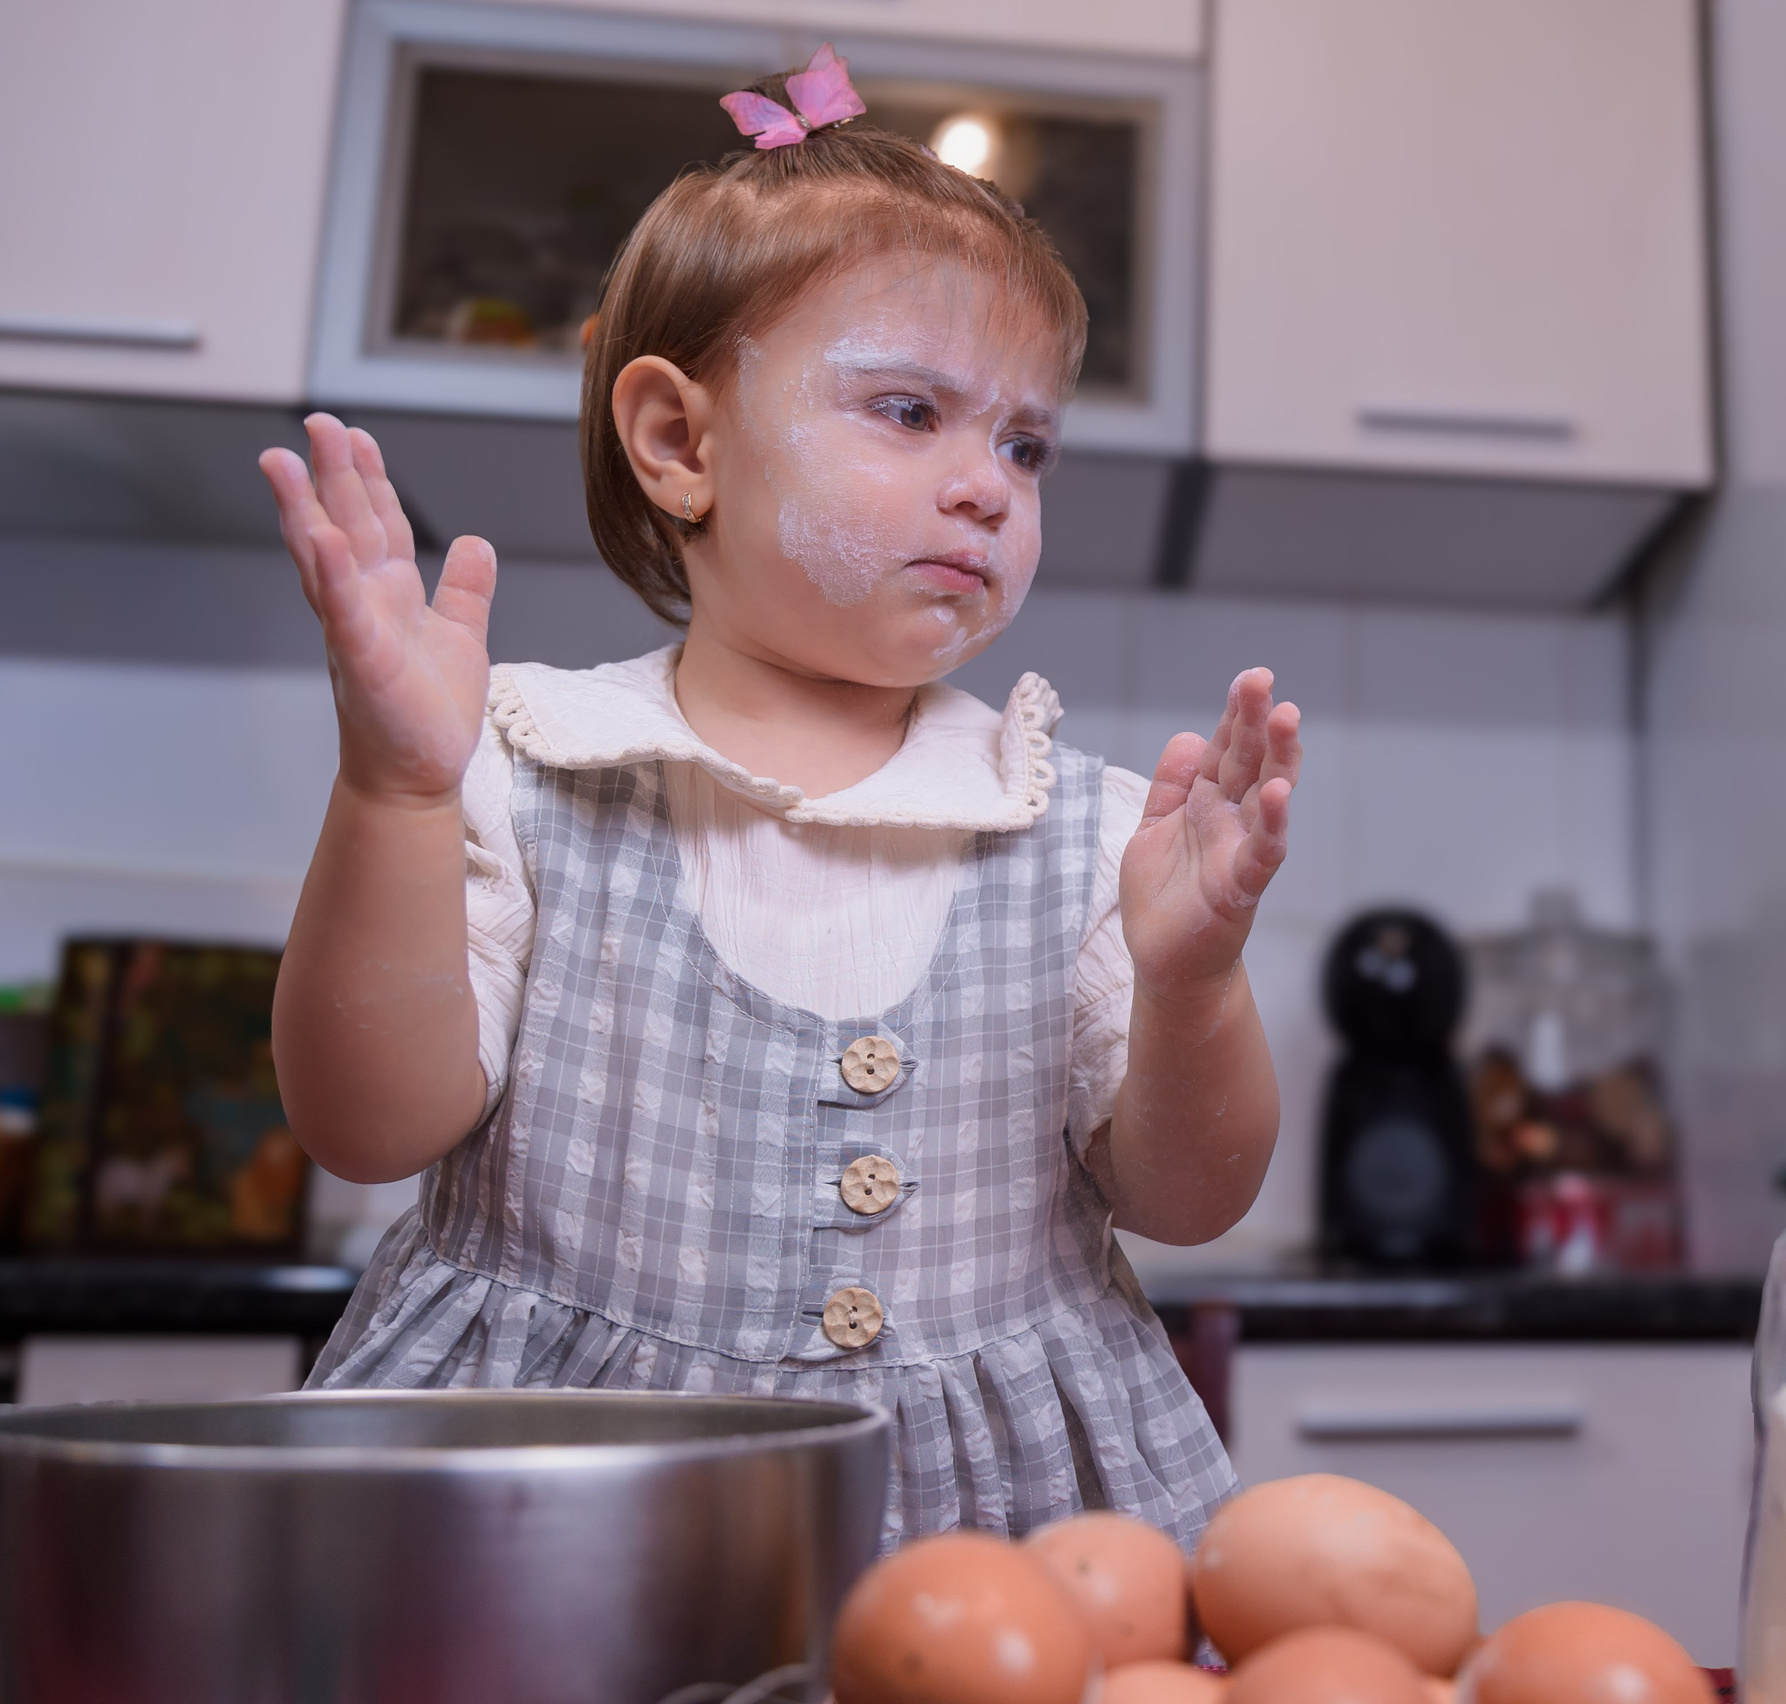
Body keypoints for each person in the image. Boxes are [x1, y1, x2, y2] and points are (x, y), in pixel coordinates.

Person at [255, 47, 1297, 1547]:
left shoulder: (1081, 826)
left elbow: (1192, 1200)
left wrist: (1193, 981)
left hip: (985, 1549)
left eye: (1024, 441)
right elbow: (363, 1124)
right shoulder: (527, 759)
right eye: (909, 411)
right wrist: (395, 792)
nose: (989, 483)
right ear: (680, 443)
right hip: (549, 1528)